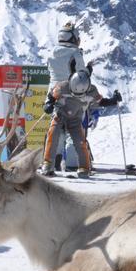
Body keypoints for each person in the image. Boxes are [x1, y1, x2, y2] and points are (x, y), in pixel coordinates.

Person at [41, 71, 121, 178]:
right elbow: (51, 97)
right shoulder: (62, 87)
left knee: (80, 142)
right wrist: (48, 105)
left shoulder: (92, 91)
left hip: (75, 119)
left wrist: (113, 100)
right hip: (60, 115)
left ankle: (84, 168)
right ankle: (48, 164)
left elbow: (101, 102)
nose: (77, 96)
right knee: (53, 134)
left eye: (80, 95)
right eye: (74, 94)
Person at [46, 22, 91, 171]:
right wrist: (89, 70)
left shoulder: (52, 53)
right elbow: (81, 76)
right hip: (73, 95)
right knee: (74, 130)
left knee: (56, 130)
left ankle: (54, 163)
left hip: (54, 94)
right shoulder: (75, 54)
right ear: (73, 38)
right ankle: (73, 164)